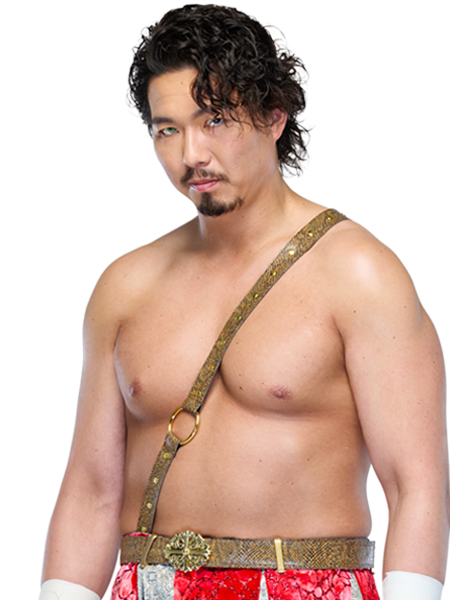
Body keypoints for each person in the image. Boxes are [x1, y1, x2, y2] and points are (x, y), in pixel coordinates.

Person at [39, 4, 449, 600]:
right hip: (149, 586)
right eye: (167, 129)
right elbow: (90, 492)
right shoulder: (126, 286)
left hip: (304, 586)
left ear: (274, 116)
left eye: (215, 120)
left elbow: (416, 486)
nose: (191, 155)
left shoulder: (358, 274)